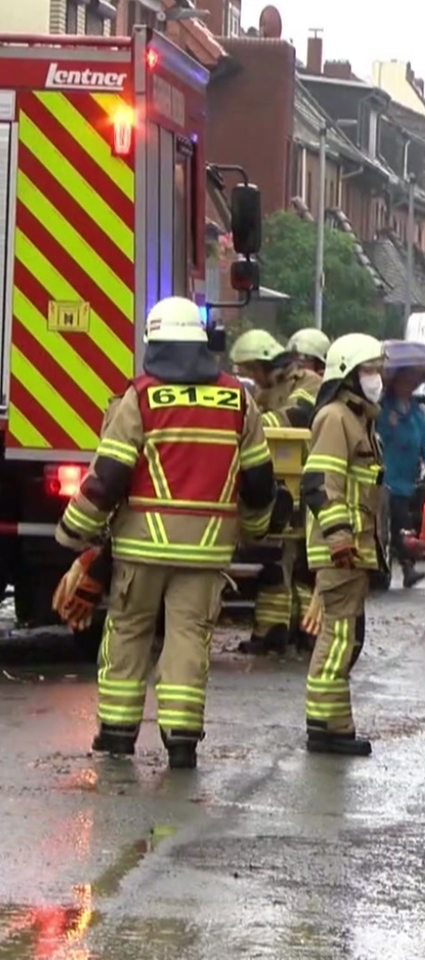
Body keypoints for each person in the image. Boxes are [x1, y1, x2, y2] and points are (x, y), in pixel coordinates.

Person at [53, 296, 278, 769]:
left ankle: (116, 734)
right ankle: (180, 742)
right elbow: (258, 481)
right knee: (187, 641)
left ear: (153, 342)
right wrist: (255, 529)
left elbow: (109, 476)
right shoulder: (238, 400)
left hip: (140, 551)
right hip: (206, 554)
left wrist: (74, 533)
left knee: (129, 634)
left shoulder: (141, 396)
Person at [299, 332, 386, 756]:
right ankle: (325, 728)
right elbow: (319, 484)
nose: (376, 378)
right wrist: (339, 537)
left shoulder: (359, 419)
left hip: (353, 548)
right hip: (342, 549)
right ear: (348, 374)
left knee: (346, 638)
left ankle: (333, 724)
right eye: (369, 370)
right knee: (337, 638)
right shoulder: (336, 418)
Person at [229, 329, 323, 655]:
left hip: (308, 480)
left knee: (302, 565)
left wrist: (249, 423)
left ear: (265, 363)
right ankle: (273, 631)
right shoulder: (264, 393)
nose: (251, 378)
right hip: (279, 484)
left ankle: (309, 632)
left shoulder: (307, 382)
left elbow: (299, 417)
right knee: (276, 562)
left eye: (252, 370)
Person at [377, 369, 425, 589]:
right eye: (405, 380)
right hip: (390, 476)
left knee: (406, 521)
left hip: (411, 478)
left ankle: (407, 563)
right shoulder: (385, 409)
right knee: (399, 523)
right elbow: (379, 435)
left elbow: (424, 439)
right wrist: (390, 424)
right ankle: (406, 567)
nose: (410, 385)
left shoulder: (417, 410)